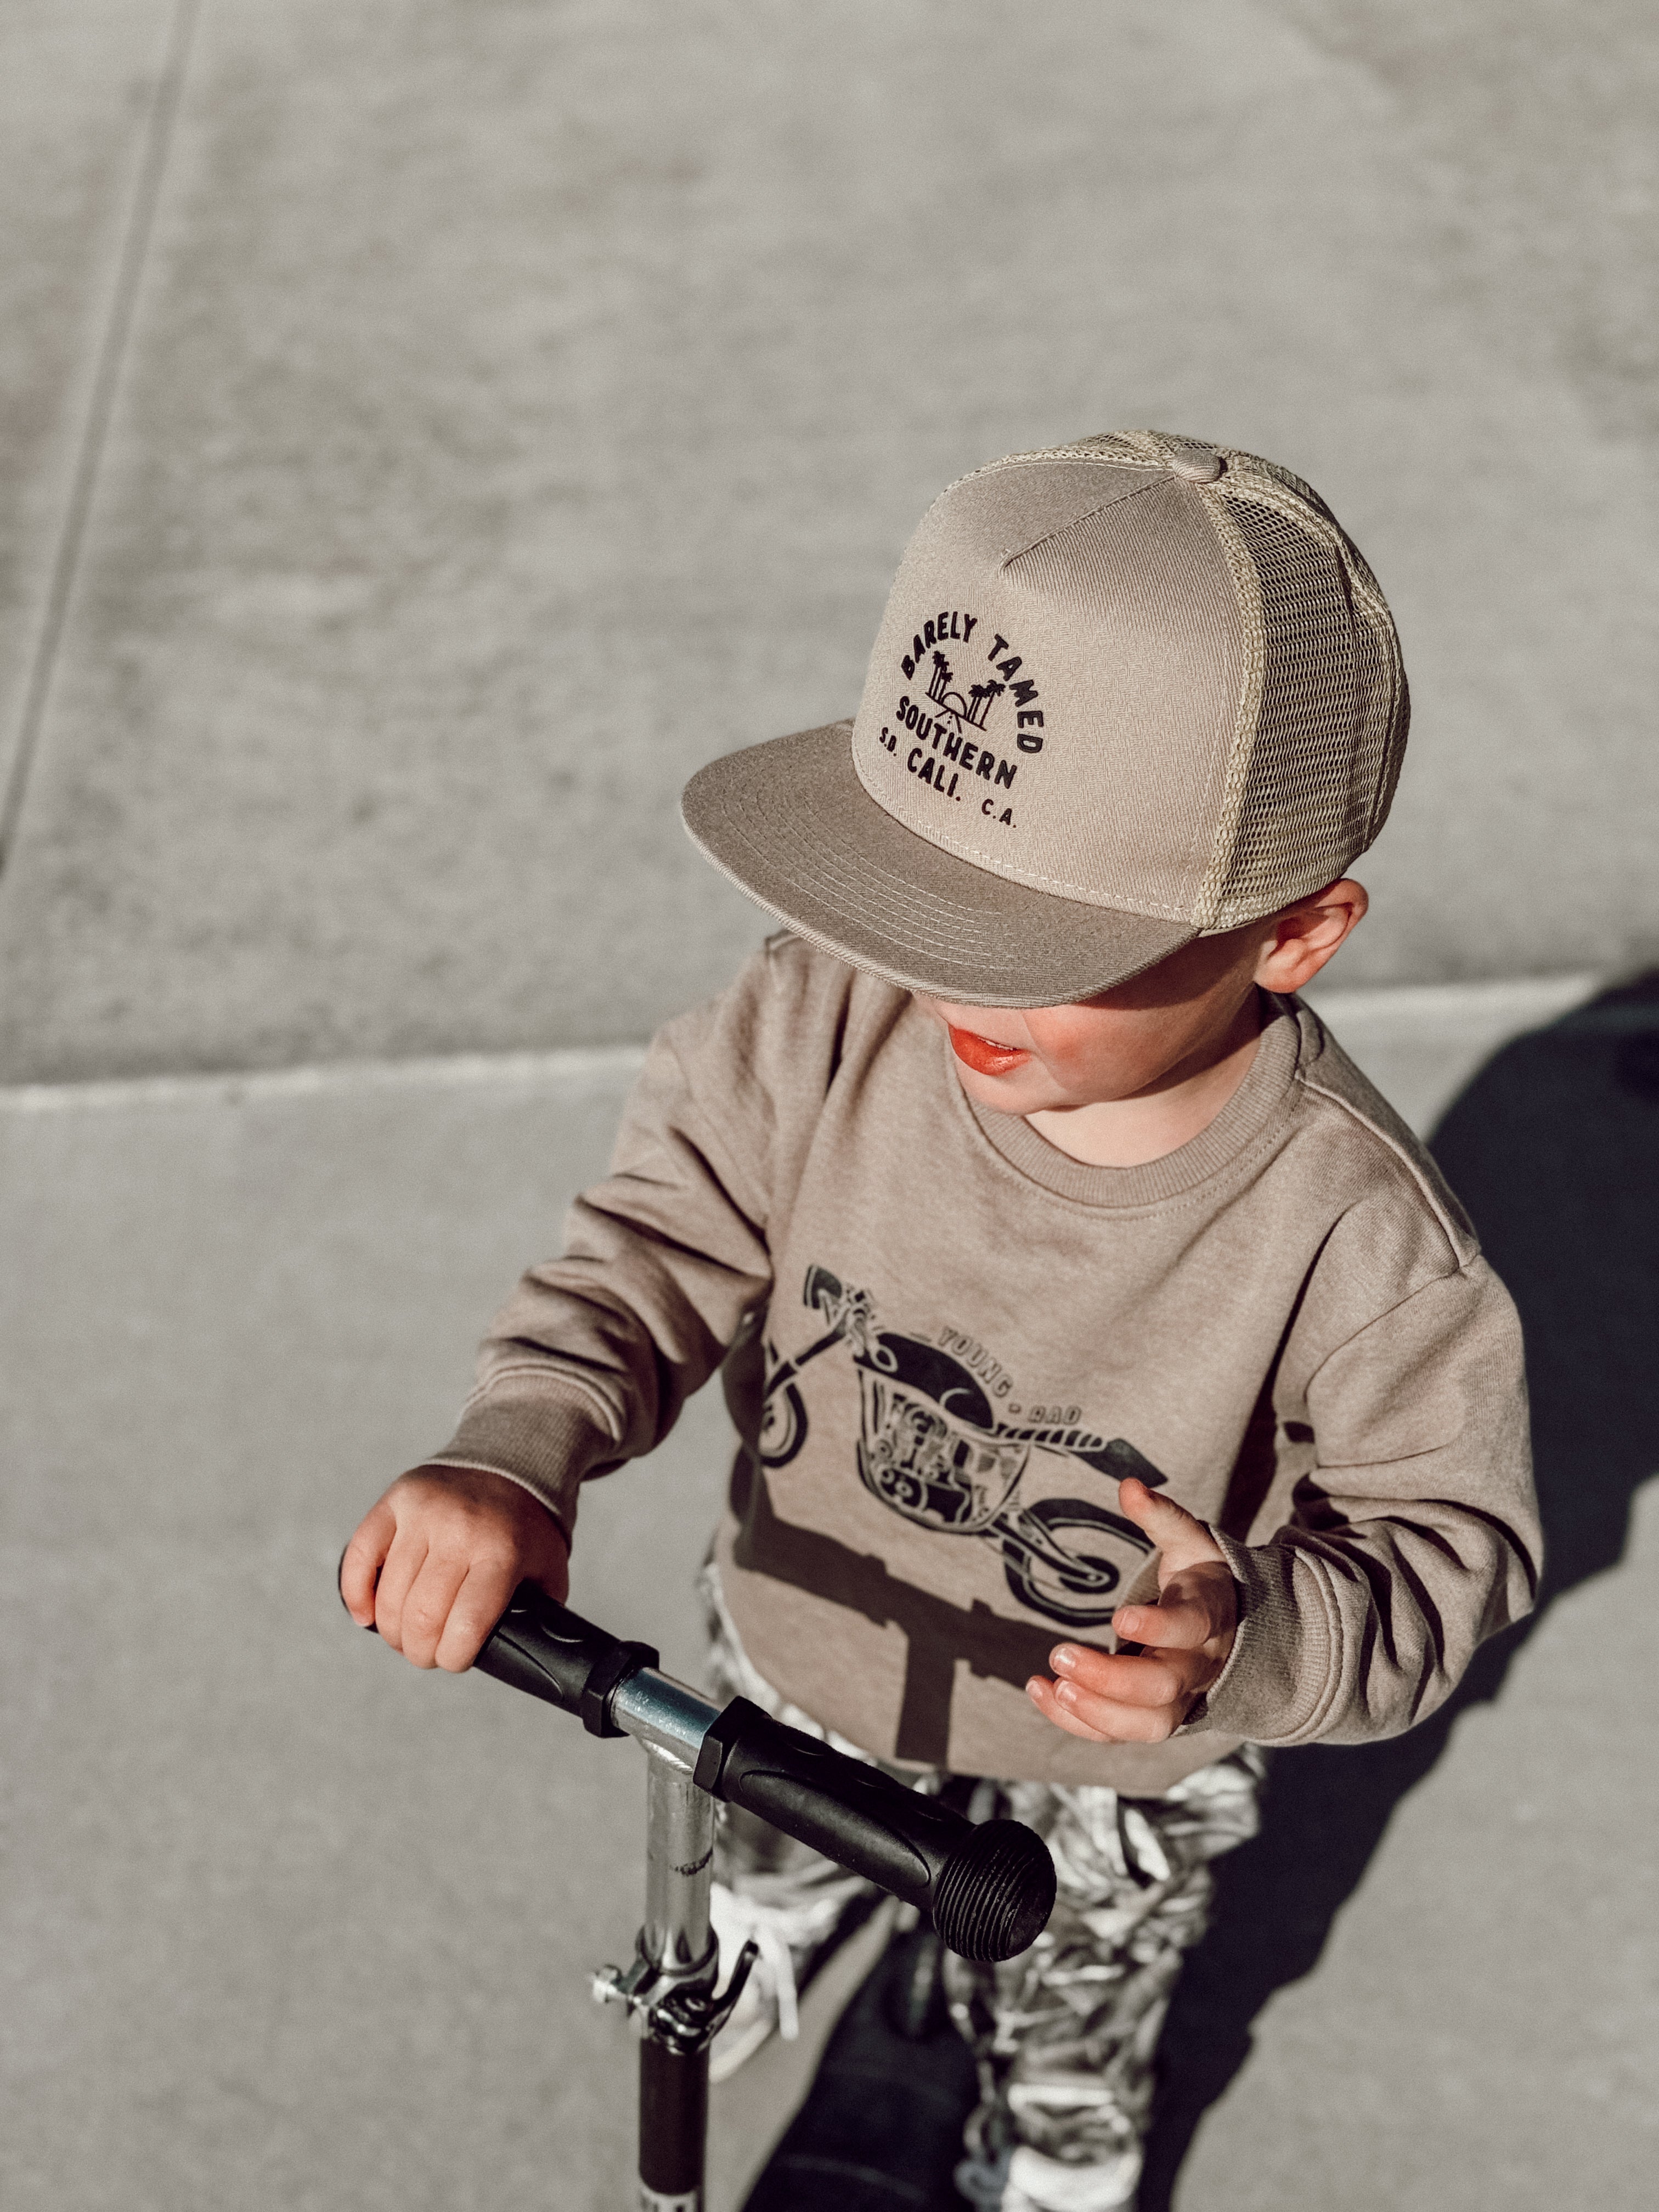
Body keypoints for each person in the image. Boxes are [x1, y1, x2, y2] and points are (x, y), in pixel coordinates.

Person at [341, 430, 1539, 2212]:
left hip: (1111, 1762)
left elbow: (1449, 1553)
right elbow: (662, 1239)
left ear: (1296, 936)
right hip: (806, 1649)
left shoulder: (1357, 1235)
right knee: (753, 1832)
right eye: (917, 895)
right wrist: (519, 1447)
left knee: (1071, 2026)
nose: (948, 979)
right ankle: (774, 1907)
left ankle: (1051, 2143)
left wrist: (1260, 1639)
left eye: (1034, 934)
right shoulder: (824, 1016)